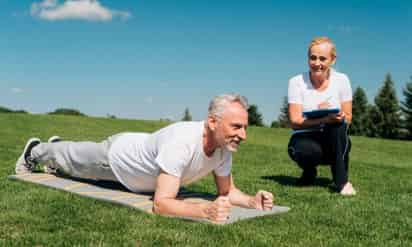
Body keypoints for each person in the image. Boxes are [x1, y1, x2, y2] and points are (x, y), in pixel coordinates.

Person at [16, 93, 274, 222]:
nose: (243, 135)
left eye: (245, 127)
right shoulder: (183, 142)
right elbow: (161, 204)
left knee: (70, 156)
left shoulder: (223, 148)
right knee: (72, 161)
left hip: (140, 154)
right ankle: (35, 150)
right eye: (236, 127)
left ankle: (57, 149)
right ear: (212, 122)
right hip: (116, 160)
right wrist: (204, 210)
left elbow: (227, 191)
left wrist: (252, 202)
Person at [287, 37, 356, 195]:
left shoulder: (342, 80)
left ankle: (341, 181)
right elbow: (295, 121)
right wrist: (324, 119)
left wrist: (336, 117)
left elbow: (349, 117)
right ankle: (309, 172)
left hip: (333, 136)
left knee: (339, 125)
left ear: (332, 60)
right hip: (305, 137)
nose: (317, 63)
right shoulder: (296, 82)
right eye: (313, 58)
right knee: (306, 150)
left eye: (322, 58)